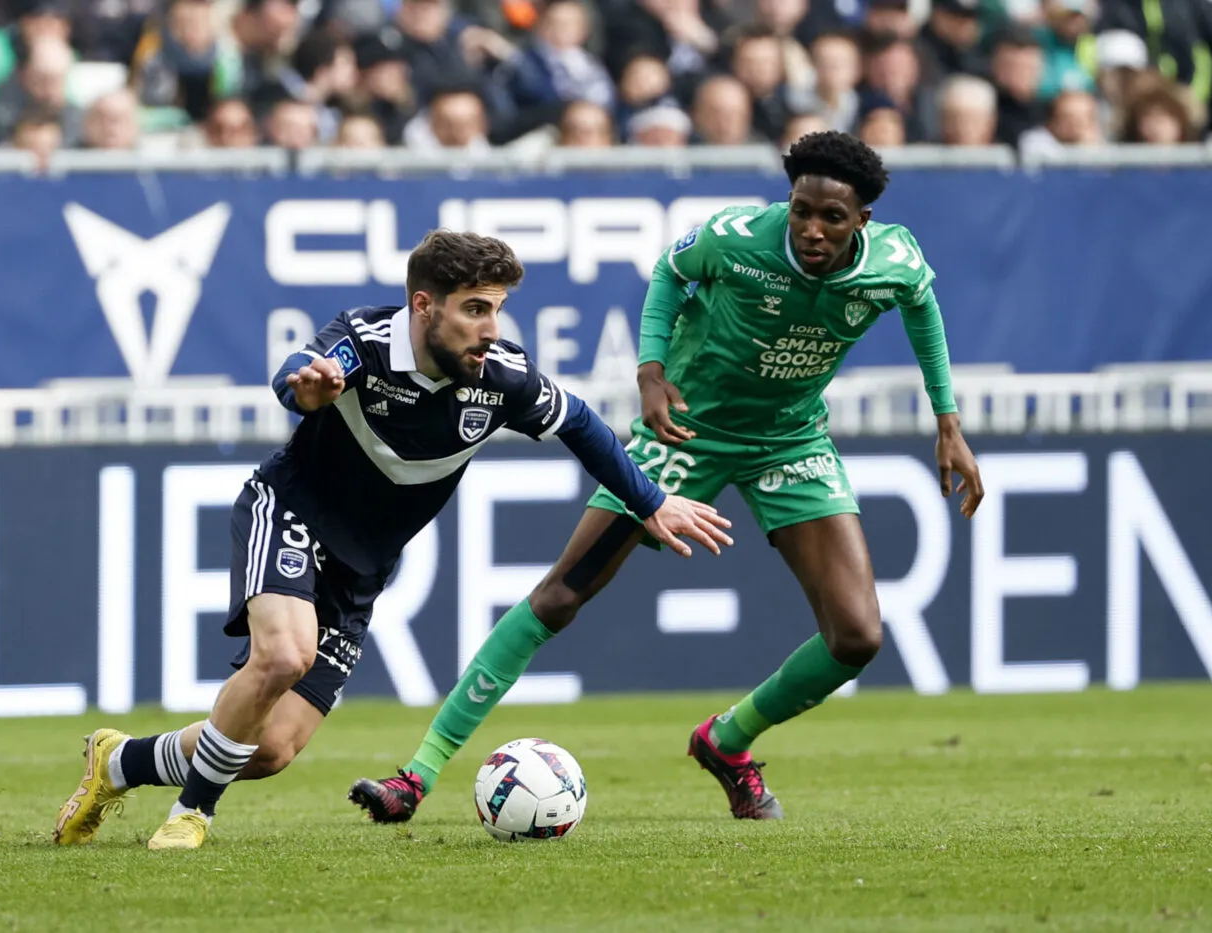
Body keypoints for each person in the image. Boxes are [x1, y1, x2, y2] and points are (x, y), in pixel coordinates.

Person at [349, 131, 985, 823]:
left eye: (832, 218)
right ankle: (416, 774)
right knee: (563, 594)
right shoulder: (735, 238)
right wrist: (652, 371)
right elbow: (669, 275)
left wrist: (947, 419)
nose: (811, 229)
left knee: (858, 637)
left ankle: (727, 740)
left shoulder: (894, 259)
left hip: (791, 438)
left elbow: (921, 305)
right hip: (687, 428)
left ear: (862, 221)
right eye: (802, 210)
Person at [52, 230, 731, 851]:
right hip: (290, 511)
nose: (490, 330)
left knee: (271, 749)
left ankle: (117, 761)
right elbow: (302, 369)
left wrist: (652, 501)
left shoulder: (500, 378)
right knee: (285, 653)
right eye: (474, 310)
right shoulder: (367, 339)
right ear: (423, 305)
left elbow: (580, 424)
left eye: (496, 311)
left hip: (360, 568)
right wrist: (307, 388)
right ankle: (193, 812)